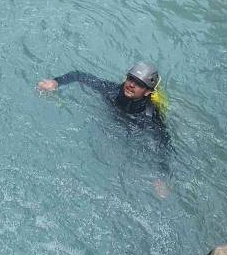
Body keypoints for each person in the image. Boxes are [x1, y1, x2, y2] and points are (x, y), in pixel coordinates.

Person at [37, 62, 172, 198]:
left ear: (147, 91)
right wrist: (56, 82)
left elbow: (163, 145)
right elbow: (79, 76)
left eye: (139, 84)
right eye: (130, 79)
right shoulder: (111, 90)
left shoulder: (150, 116)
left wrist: (161, 176)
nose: (131, 85)